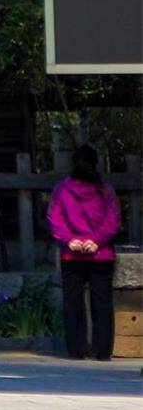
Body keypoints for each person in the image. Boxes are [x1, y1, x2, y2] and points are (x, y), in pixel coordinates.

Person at [48, 144, 122, 361]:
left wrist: (69, 239)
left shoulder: (62, 190)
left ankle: (76, 350)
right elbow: (113, 220)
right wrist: (96, 240)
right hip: (101, 254)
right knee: (102, 303)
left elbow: (55, 218)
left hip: (71, 254)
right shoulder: (105, 190)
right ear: (96, 163)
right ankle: (102, 351)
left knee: (73, 303)